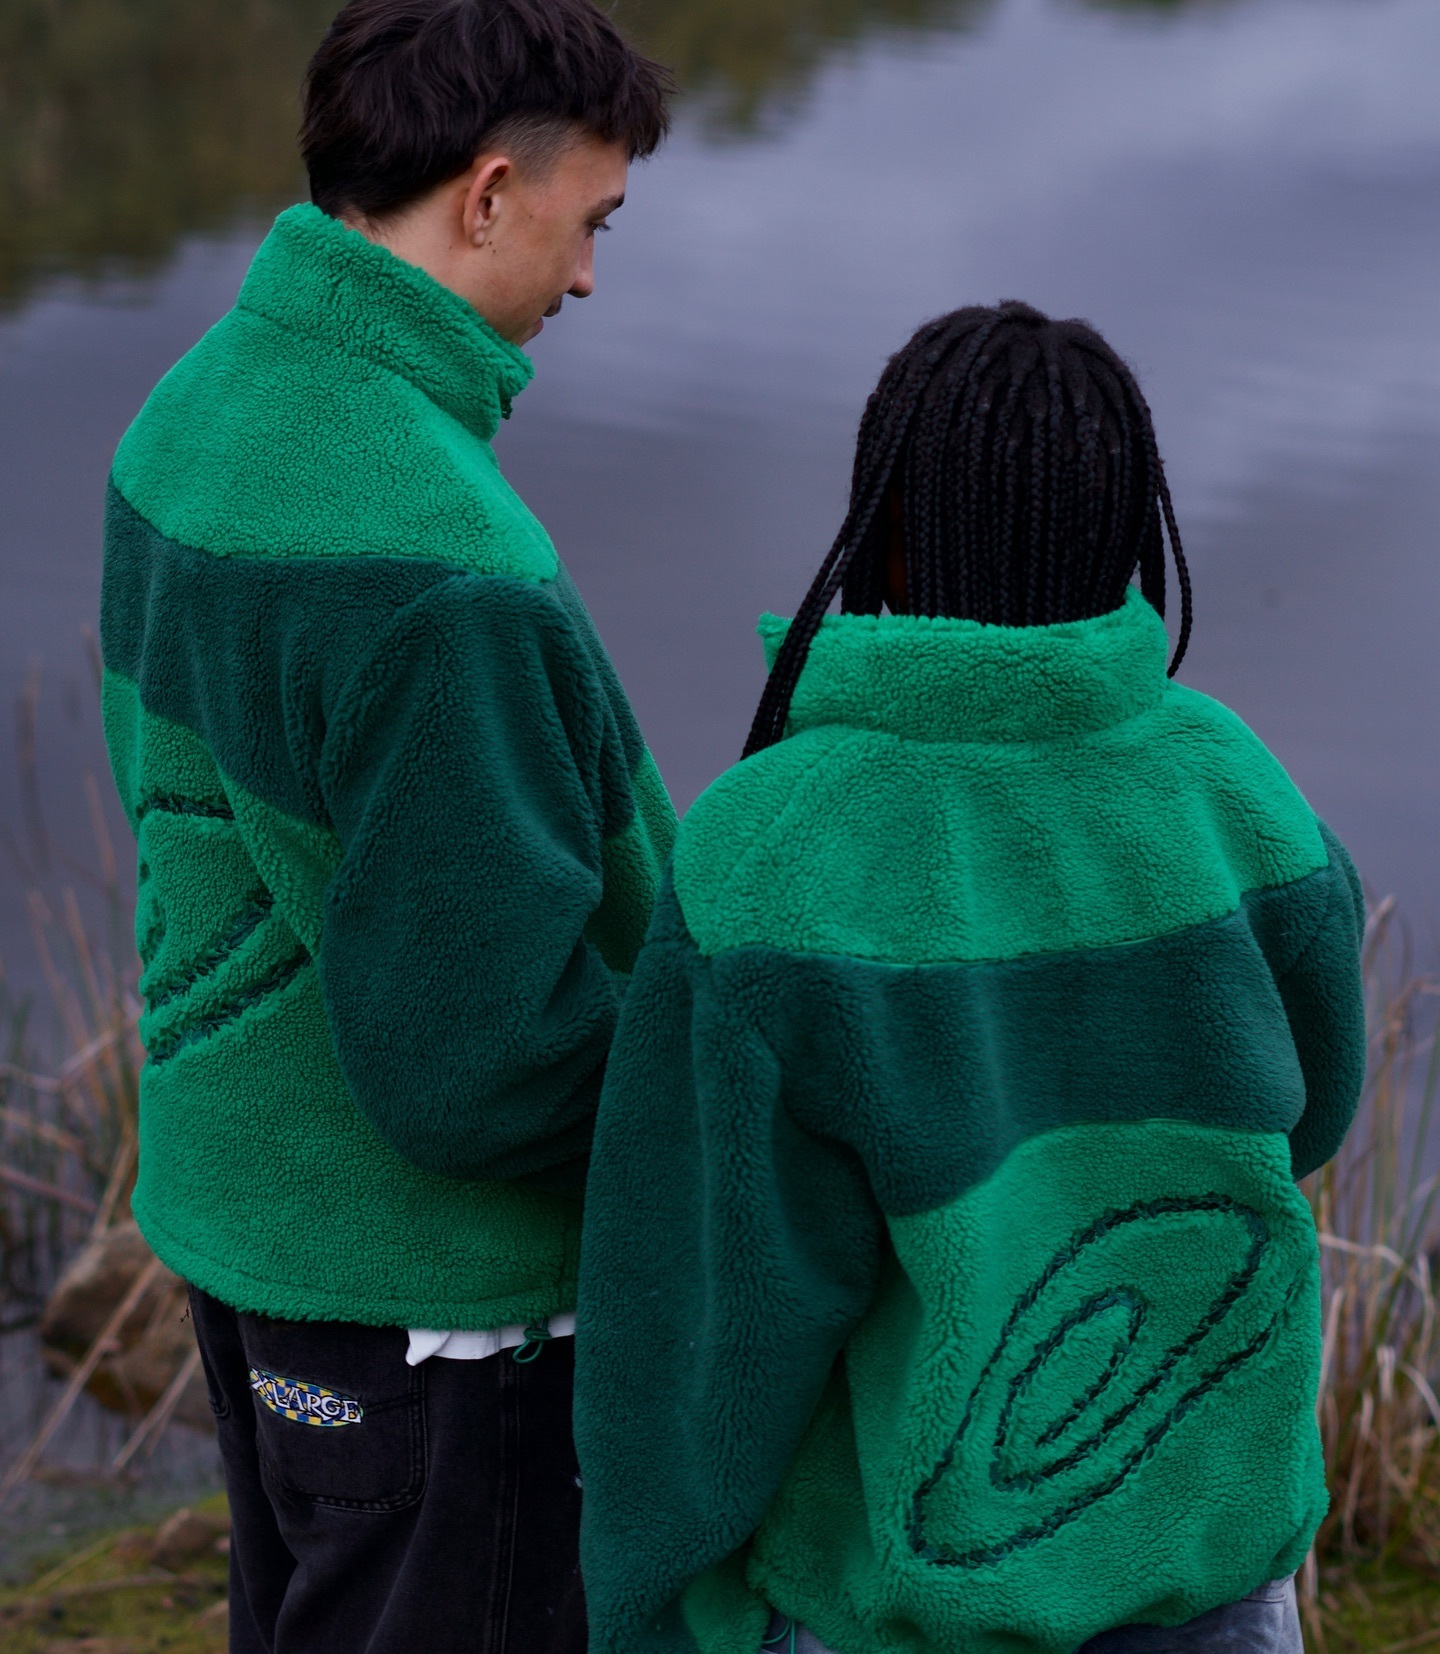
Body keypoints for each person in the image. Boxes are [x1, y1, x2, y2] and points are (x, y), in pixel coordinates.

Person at [574, 302, 1366, 1654]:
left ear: (886, 524)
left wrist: (660, 1610)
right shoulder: (1240, 794)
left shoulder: (772, 850)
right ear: (1128, 531)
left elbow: (709, 1322)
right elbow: (1317, 1108)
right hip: (1216, 1578)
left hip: (906, 1610)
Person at [98, 2, 674, 1649]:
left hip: (256, 1225)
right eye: (590, 223)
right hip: (433, 1297)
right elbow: (483, 1060)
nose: (587, 279)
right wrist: (726, 1075)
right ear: (488, 194)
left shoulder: (194, 408)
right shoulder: (439, 569)